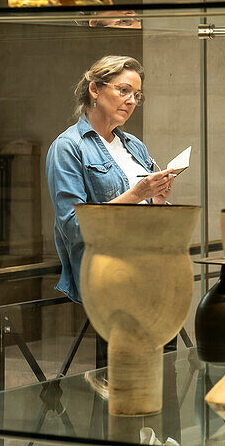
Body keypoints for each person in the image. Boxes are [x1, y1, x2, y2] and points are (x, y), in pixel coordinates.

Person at [46, 55, 177, 374]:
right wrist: (137, 194)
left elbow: (152, 218)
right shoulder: (68, 147)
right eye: (123, 90)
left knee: (167, 380)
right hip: (112, 282)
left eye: (137, 95)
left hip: (154, 276)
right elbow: (74, 227)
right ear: (95, 89)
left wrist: (158, 201)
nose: (132, 101)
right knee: (122, 387)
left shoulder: (134, 145)